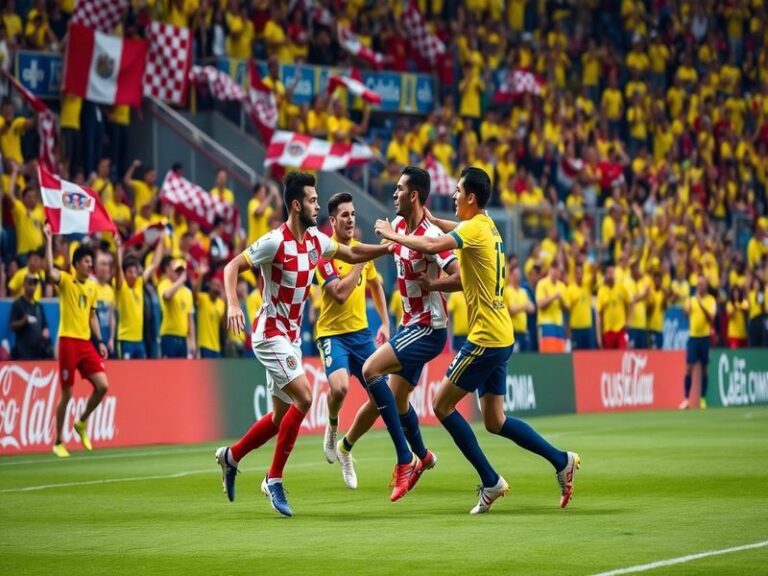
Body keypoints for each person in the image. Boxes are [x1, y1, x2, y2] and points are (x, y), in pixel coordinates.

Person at [375, 167, 580, 514]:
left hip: (484, 337)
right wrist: (431, 220)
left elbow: (431, 243)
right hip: (502, 334)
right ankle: (562, 460)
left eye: (457, 191)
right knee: (495, 421)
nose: (453, 196)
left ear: (471, 197)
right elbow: (450, 229)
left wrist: (392, 236)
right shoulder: (486, 226)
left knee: (441, 405)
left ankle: (490, 481)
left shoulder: (473, 229)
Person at [214, 172, 390, 517]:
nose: (316, 205)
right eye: (312, 200)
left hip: (291, 338)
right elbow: (232, 266)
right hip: (269, 333)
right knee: (306, 397)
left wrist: (389, 246)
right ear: (296, 205)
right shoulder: (273, 242)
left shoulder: (315, 240)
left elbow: (353, 255)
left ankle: (231, 457)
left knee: (281, 417)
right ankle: (273, 479)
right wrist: (233, 303)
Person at [335, 166, 459, 498]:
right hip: (409, 325)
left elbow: (460, 277)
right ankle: (421, 455)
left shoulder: (432, 236)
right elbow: (369, 252)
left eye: (400, 188)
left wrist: (433, 283)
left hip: (428, 328)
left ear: (414, 194)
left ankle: (405, 458)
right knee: (396, 398)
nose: (394, 194)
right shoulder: (401, 227)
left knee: (370, 370)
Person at [311, 193, 390, 467]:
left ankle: (347, 446)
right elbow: (341, 294)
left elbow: (375, 285)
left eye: (353, 214)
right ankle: (332, 427)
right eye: (345, 215)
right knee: (341, 388)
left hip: (362, 334)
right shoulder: (324, 253)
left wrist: (386, 321)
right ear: (332, 220)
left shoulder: (361, 251)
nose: (351, 219)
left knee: (380, 398)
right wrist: (359, 259)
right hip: (332, 334)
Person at [44, 224, 109, 458]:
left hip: (85, 343)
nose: (90, 265)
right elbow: (49, 271)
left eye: (92, 262)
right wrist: (48, 240)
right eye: (87, 262)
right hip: (68, 341)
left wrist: (99, 340)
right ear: (76, 264)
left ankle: (81, 423)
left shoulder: (92, 288)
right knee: (68, 394)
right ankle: (59, 441)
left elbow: (92, 315)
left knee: (102, 386)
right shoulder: (66, 281)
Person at [115, 236, 164, 359]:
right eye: (130, 272)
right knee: (125, 374)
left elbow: (154, 264)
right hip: (125, 340)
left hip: (139, 341)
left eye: (135, 272)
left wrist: (161, 241)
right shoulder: (121, 287)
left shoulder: (139, 284)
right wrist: (118, 250)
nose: (133, 275)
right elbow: (118, 269)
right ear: (125, 274)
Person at [680, 276, 716, 410]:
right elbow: (685, 314)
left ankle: (703, 399)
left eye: (702, 284)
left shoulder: (710, 300)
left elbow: (711, 318)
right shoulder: (691, 299)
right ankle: (686, 399)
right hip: (693, 337)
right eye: (698, 284)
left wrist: (700, 303)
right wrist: (687, 308)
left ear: (706, 286)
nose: (700, 287)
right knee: (689, 368)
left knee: (704, 370)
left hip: (705, 337)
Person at [157, 257, 195, 359]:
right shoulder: (165, 284)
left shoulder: (188, 292)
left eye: (182, 271)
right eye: (177, 270)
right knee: (168, 371)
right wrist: (180, 281)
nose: (179, 273)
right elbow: (167, 296)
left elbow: (190, 318)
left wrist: (192, 341)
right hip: (168, 335)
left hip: (182, 338)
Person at [9, 273, 51, 359]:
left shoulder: (39, 306)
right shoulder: (18, 304)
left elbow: (44, 325)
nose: (33, 286)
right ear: (24, 285)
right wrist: (23, 321)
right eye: (30, 283)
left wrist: (45, 331)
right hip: (23, 353)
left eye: (35, 283)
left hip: (38, 353)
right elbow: (12, 325)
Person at [536, 262, 569, 352]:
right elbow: (540, 304)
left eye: (558, 271)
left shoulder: (561, 286)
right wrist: (553, 297)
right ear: (550, 270)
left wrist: (561, 299)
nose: (556, 272)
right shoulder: (542, 283)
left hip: (558, 324)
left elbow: (567, 307)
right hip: (546, 324)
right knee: (547, 354)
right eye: (554, 269)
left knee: (559, 355)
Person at [194, 266, 226, 358]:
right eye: (214, 285)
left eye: (218, 286)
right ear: (210, 286)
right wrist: (201, 275)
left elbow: (223, 326)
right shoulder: (203, 298)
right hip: (203, 345)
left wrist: (227, 303)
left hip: (216, 348)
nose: (216, 287)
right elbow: (195, 292)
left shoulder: (221, 303)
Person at [596, 264, 629, 349]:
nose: (611, 275)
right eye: (609, 273)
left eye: (613, 273)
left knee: (622, 356)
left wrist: (628, 321)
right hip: (608, 331)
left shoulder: (621, 288)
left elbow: (629, 304)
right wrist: (599, 336)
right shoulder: (601, 291)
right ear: (605, 275)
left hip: (620, 329)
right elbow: (599, 316)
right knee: (609, 359)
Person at [567, 262, 595, 350]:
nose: (580, 275)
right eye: (578, 273)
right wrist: (568, 329)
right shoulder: (570, 289)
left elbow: (594, 278)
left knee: (590, 354)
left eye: (581, 273)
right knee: (577, 354)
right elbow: (568, 311)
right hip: (576, 328)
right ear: (574, 274)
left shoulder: (587, 286)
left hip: (588, 326)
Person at [94, 251, 116, 358]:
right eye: (102, 264)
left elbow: (111, 317)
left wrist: (112, 338)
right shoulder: (91, 287)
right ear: (95, 267)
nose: (105, 267)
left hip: (107, 339)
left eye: (107, 264)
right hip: (94, 339)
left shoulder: (110, 290)